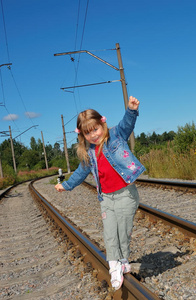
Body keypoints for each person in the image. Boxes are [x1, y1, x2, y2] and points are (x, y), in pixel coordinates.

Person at [55, 96, 146, 290]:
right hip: (106, 198)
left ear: (102, 124)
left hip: (126, 194)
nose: (94, 135)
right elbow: (80, 172)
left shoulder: (116, 135)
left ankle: (122, 259)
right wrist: (67, 185)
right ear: (82, 135)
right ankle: (114, 266)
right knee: (109, 232)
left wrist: (131, 110)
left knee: (124, 230)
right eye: (88, 133)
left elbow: (127, 124)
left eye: (95, 129)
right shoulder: (89, 153)